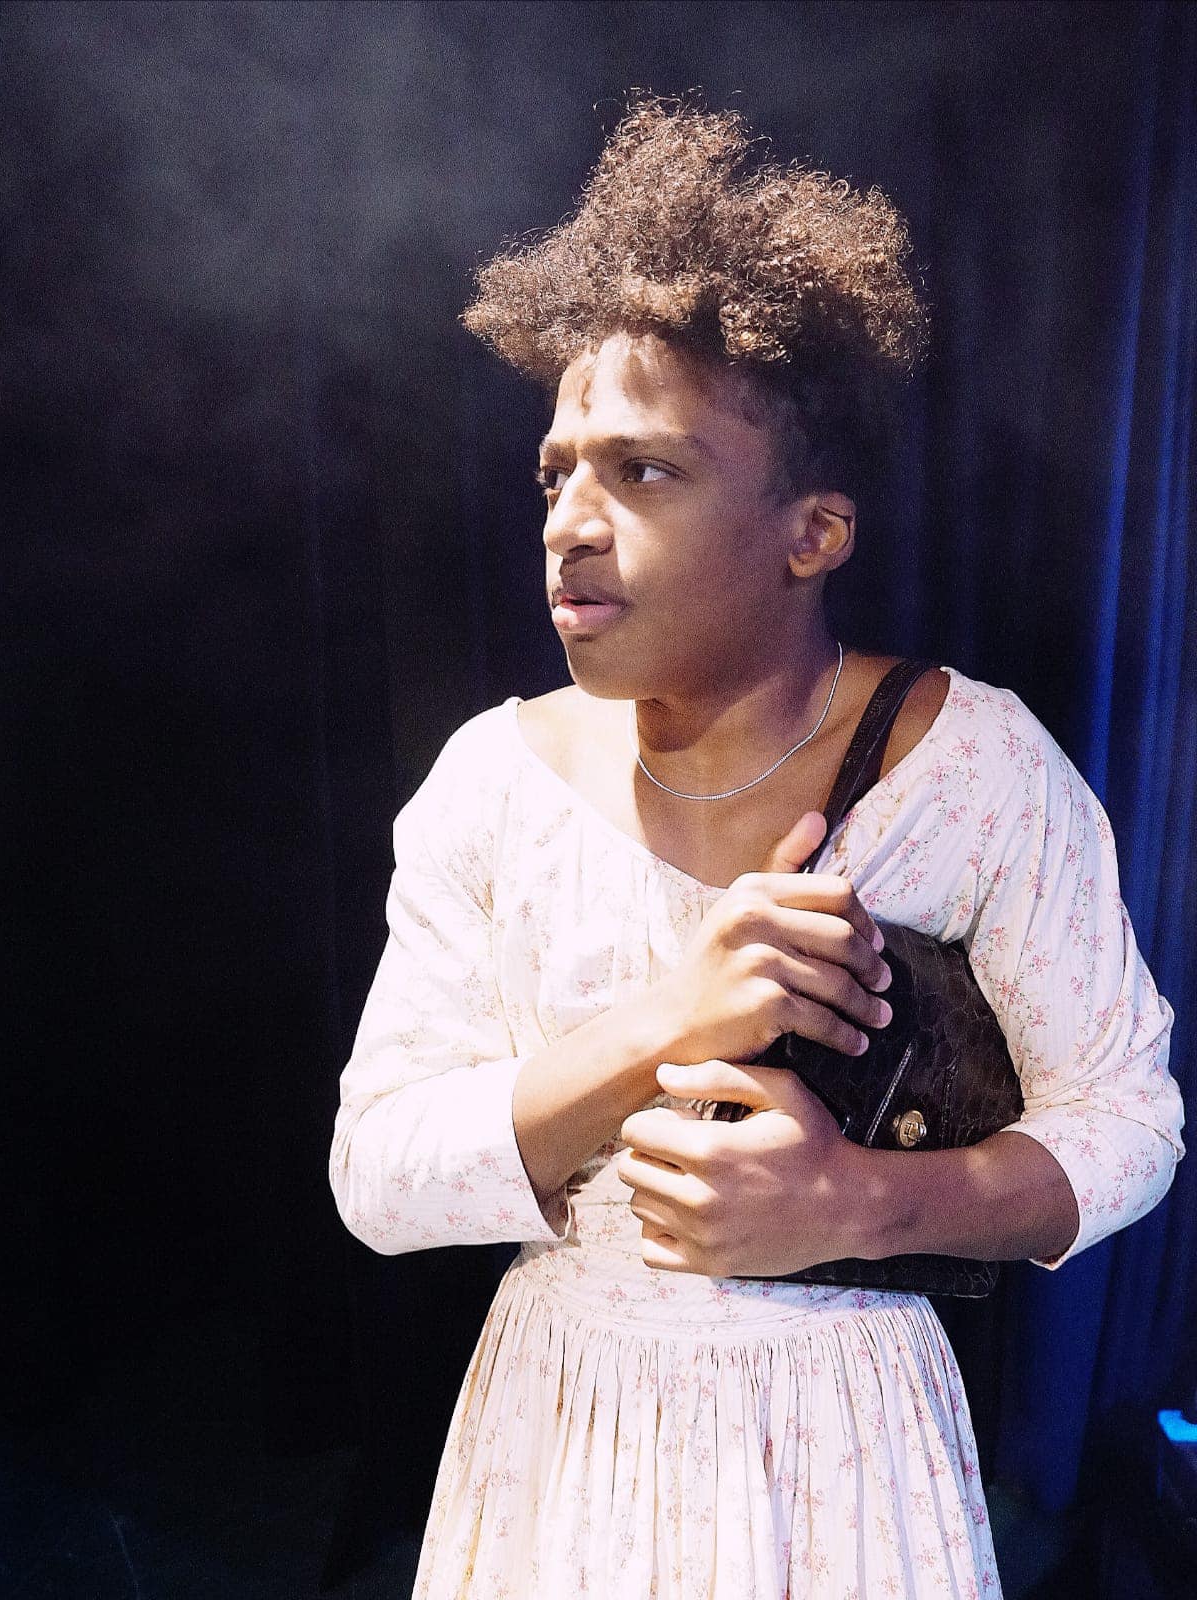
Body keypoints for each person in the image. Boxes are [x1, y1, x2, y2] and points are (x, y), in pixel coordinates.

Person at [329, 96, 1184, 1598]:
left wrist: (861, 1203)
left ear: (812, 533)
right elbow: (379, 1180)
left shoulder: (972, 767)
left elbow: (1129, 1123)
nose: (569, 522)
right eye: (555, 473)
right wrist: (667, 1023)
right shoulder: (492, 781)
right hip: (564, 1434)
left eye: (641, 472)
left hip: (844, 1453)